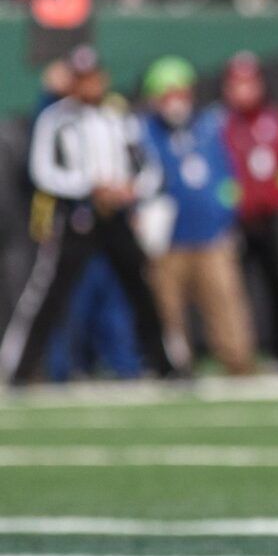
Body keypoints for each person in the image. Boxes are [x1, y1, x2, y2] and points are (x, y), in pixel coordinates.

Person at [1, 47, 177, 384]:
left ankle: (166, 364)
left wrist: (131, 189)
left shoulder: (119, 117)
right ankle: (18, 370)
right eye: (80, 79)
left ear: (103, 78)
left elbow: (149, 167)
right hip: (77, 216)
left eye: (93, 77)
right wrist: (90, 187)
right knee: (46, 294)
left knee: (142, 288)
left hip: (117, 217)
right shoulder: (56, 118)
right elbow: (43, 172)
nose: (88, 85)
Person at [143, 57, 256, 376]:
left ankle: (238, 363)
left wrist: (226, 215)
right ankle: (176, 365)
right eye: (167, 94)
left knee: (226, 305)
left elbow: (226, 176)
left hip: (211, 236)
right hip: (167, 240)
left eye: (180, 92)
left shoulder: (208, 127)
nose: (175, 101)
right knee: (168, 310)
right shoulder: (143, 132)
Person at [222, 52, 278, 368]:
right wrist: (232, 201)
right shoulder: (221, 123)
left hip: (269, 219)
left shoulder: (276, 120)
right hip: (236, 222)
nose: (244, 91)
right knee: (232, 292)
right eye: (237, 84)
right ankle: (239, 356)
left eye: (249, 83)